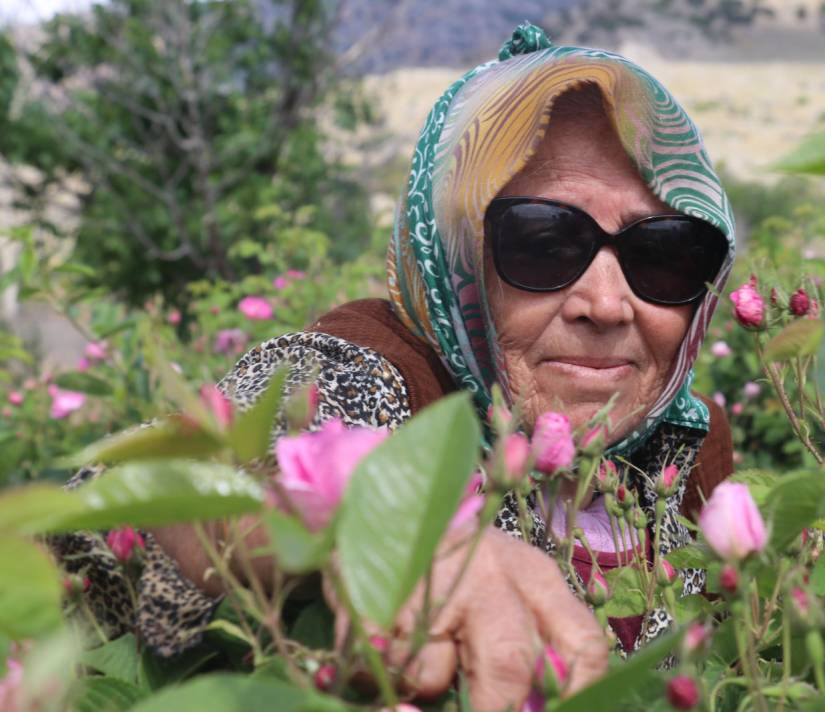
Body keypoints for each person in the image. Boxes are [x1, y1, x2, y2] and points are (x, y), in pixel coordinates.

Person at [51, 23, 737, 711]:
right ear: (459, 257)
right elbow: (157, 495)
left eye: (666, 253)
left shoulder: (688, 442)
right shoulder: (373, 369)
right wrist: (386, 535)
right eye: (544, 242)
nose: (608, 303)